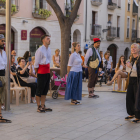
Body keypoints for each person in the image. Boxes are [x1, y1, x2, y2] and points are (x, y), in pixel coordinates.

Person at [34, 34, 52, 113]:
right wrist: (37, 73)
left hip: (47, 71)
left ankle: (43, 105)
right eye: (48, 39)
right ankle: (38, 106)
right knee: (39, 89)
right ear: (43, 40)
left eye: (49, 39)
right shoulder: (40, 50)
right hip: (41, 71)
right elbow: (36, 63)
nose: (49, 40)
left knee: (45, 89)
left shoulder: (49, 49)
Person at [125, 43, 140, 123]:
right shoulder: (131, 59)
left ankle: (138, 116)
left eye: (135, 47)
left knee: (137, 98)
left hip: (138, 80)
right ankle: (131, 113)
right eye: (132, 47)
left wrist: (132, 67)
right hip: (131, 79)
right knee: (129, 97)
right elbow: (129, 71)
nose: (133, 49)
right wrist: (127, 67)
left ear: (138, 49)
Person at [0, 34, 11, 123]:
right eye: (2, 41)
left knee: (1, 97)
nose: (3, 43)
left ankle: (0, 115)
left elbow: (5, 66)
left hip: (3, 75)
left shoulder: (4, 53)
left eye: (4, 41)